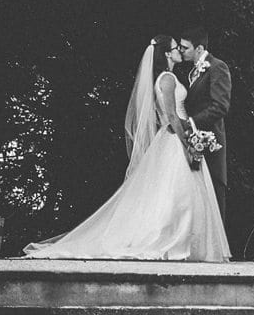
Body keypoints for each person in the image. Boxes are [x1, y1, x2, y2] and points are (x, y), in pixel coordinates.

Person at [24, 35, 230, 262]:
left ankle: (184, 243)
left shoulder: (167, 77)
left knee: (173, 195)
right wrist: (187, 143)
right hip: (176, 138)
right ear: (167, 54)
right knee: (177, 195)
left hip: (175, 137)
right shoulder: (168, 78)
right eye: (175, 48)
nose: (179, 51)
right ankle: (175, 242)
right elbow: (171, 116)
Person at [178, 26, 231, 224]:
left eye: (185, 47)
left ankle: (217, 249)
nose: (181, 51)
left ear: (199, 48)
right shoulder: (192, 71)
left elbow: (221, 106)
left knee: (214, 189)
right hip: (193, 140)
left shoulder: (218, 67)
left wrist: (190, 123)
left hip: (211, 140)